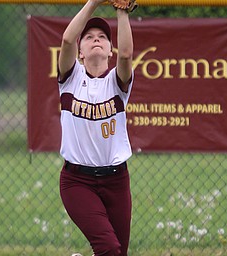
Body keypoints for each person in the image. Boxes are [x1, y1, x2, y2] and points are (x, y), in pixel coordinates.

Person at [58, 0, 135, 255]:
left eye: (103, 36)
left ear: (110, 50)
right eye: (89, 37)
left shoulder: (116, 83)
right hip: (77, 181)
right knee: (109, 248)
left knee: (117, 252)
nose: (96, 40)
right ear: (80, 52)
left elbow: (126, 55)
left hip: (116, 180)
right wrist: (94, 1)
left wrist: (122, 12)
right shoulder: (71, 78)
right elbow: (67, 40)